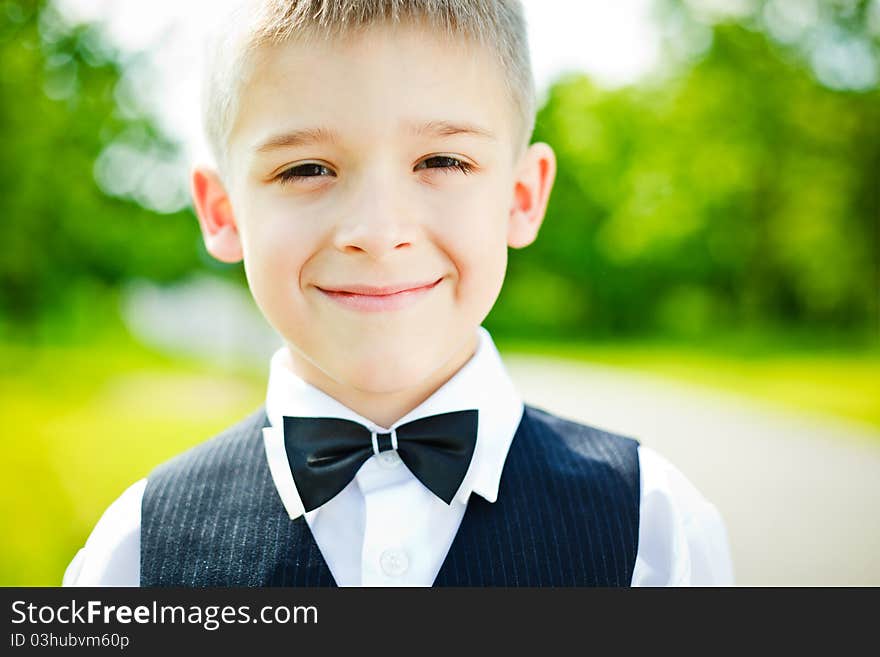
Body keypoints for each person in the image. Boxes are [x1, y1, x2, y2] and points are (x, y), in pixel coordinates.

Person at [63, 0, 734, 587]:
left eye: (442, 161)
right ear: (223, 212)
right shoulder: (136, 554)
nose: (379, 234)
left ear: (521, 197)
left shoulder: (653, 527)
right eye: (305, 168)